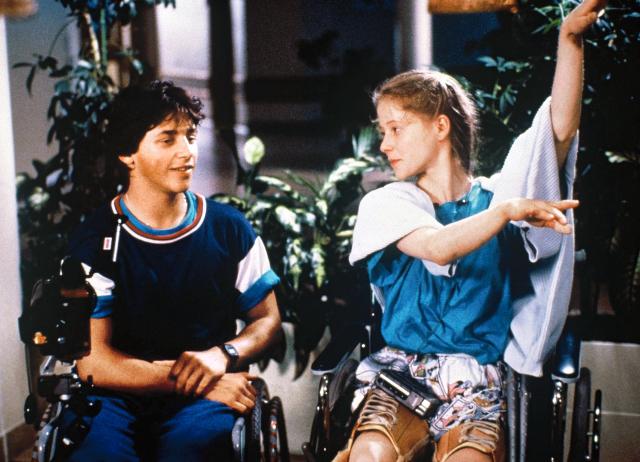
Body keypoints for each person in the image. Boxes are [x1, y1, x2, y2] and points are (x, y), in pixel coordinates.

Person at [335, 1, 606, 461]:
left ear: (440, 126)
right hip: (401, 375)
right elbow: (438, 248)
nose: (384, 144)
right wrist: (508, 213)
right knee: (367, 456)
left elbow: (555, 134)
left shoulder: (498, 197)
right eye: (383, 131)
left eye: (396, 128)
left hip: (477, 381)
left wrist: (570, 41)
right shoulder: (387, 203)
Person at [63, 80, 282, 461]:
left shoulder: (229, 229)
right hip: (117, 396)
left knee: (194, 448)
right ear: (128, 154)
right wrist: (195, 381)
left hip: (204, 398)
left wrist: (223, 355)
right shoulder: (95, 240)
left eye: (190, 137)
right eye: (167, 139)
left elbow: (267, 320)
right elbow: (94, 362)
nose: (187, 152)